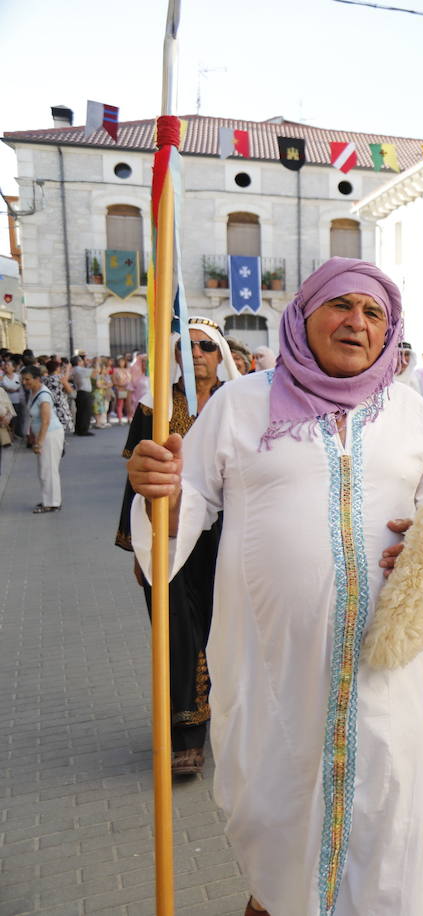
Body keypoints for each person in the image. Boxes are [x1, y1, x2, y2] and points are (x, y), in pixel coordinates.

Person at [126, 258, 423, 915]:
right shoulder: (241, 406)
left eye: (374, 312)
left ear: (390, 333)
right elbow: (172, 536)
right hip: (272, 671)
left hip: (382, 670)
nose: (356, 321)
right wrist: (155, 490)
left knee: (386, 823)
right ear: (303, 316)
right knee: (278, 828)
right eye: (340, 305)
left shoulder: (411, 412)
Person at [116, 316, 240, 777]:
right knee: (178, 632)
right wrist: (137, 549)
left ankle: (234, 725)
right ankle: (185, 735)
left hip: (227, 538)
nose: (198, 355)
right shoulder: (156, 409)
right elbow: (137, 482)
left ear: (220, 354)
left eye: (207, 347)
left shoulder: (238, 406)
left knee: (226, 628)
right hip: (169, 540)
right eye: (188, 347)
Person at [20, 365, 63, 513]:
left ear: (37, 379)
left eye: (27, 379)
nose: (25, 382)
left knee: (48, 469)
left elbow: (46, 420)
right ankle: (49, 500)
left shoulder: (43, 395)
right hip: (44, 434)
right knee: (45, 469)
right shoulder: (34, 392)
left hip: (50, 434)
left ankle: (52, 503)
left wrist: (39, 442)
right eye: (23, 379)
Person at [40, 359, 74, 435]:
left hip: (48, 403)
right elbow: (69, 390)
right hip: (60, 404)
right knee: (61, 425)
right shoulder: (60, 378)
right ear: (57, 368)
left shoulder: (43, 379)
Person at [71, 354, 94, 436]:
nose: (83, 361)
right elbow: (94, 372)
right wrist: (95, 363)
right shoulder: (79, 369)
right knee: (86, 412)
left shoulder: (74, 369)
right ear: (78, 362)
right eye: (81, 360)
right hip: (84, 392)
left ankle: (78, 429)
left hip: (80, 392)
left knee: (80, 412)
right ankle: (83, 430)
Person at [111, 356, 132, 424]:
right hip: (120, 389)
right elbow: (113, 380)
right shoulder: (115, 370)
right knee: (120, 404)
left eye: (123, 361)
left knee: (128, 404)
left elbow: (131, 379)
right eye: (120, 362)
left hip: (128, 389)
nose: (121, 363)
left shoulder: (128, 370)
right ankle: (120, 419)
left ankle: (129, 417)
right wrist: (118, 386)